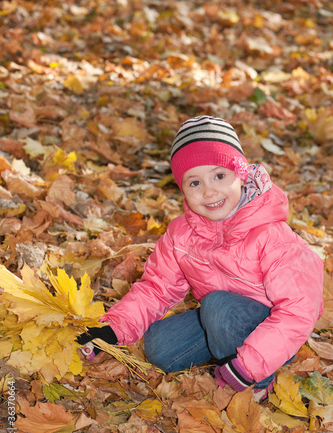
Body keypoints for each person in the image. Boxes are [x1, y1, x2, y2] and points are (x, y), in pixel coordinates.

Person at [78, 115, 324, 399]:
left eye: (219, 176)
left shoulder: (271, 235)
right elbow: (156, 289)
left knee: (217, 306)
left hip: (272, 330)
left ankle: (257, 380)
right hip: (219, 319)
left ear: (240, 175)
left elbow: (299, 310)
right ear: (183, 189)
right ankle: (228, 359)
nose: (209, 191)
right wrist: (111, 332)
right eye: (194, 183)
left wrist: (249, 366)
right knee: (159, 347)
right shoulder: (181, 234)